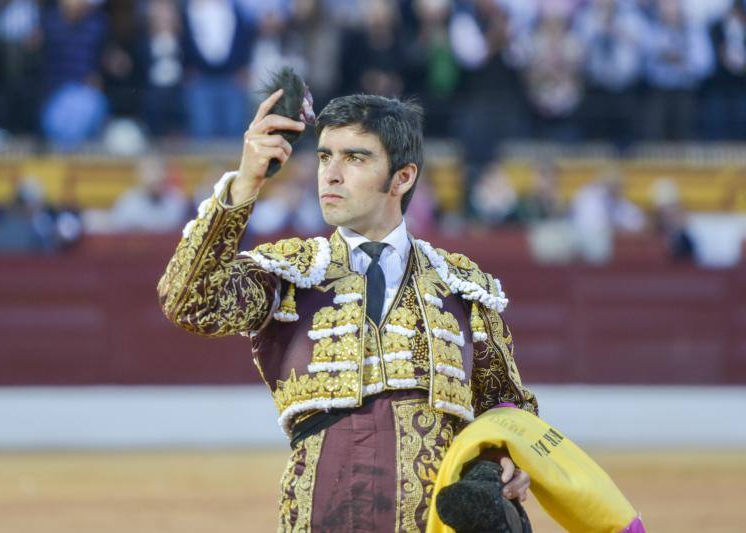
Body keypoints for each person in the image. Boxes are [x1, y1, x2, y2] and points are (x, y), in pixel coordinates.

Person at [157, 90, 537, 531]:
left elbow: (505, 407)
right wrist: (244, 184)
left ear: (402, 177)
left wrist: (506, 459)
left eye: (355, 158)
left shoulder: (462, 287)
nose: (331, 175)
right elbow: (189, 301)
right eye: (324, 157)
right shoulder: (290, 274)